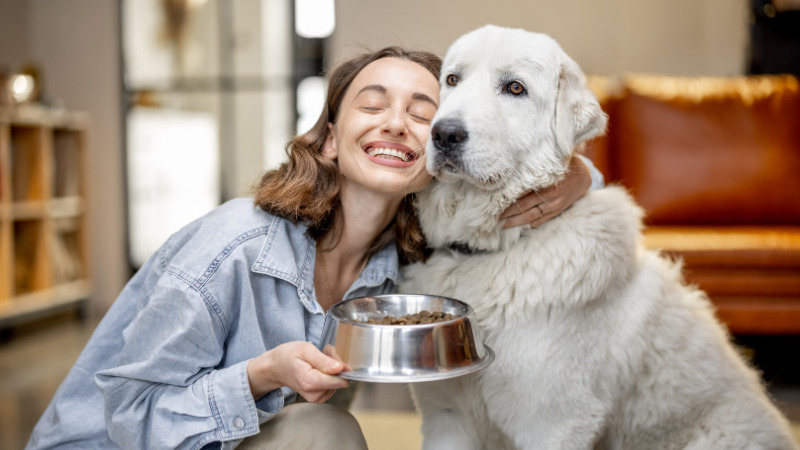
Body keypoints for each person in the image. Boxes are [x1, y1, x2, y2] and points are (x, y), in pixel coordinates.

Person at [27, 47, 602, 450]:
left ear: (440, 157)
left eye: (423, 116)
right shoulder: (235, 246)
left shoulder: (408, 261)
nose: (398, 124)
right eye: (373, 106)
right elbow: (128, 415)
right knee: (327, 433)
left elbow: (519, 185)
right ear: (328, 138)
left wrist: (580, 175)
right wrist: (260, 374)